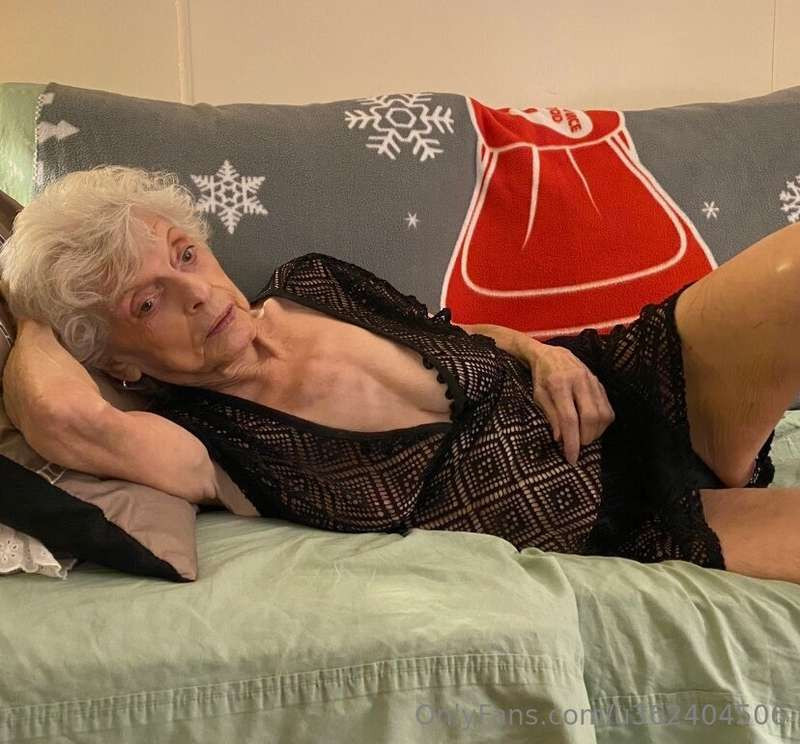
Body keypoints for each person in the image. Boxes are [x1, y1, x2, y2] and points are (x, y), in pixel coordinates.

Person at [0, 165, 794, 583]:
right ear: (115, 358)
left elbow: (456, 334)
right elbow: (65, 418)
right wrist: (29, 302)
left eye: (185, 254)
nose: (199, 292)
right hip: (626, 523)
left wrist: (539, 351)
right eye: (147, 303)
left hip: (631, 382)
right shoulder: (208, 445)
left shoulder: (313, 282)